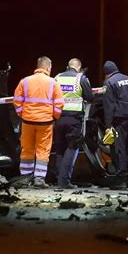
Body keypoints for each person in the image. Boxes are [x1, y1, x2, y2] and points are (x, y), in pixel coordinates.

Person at [13, 56, 64, 188]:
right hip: (45, 122)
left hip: (27, 121)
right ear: (48, 67)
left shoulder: (25, 81)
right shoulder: (53, 83)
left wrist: (22, 114)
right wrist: (55, 117)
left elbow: (17, 100)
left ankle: (25, 177)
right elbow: (59, 104)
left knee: (27, 149)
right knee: (43, 150)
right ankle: (39, 179)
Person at [54, 58, 94, 188]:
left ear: (68, 66)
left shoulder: (57, 78)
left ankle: (59, 179)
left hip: (58, 118)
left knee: (60, 149)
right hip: (74, 119)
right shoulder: (81, 78)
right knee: (72, 148)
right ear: (78, 67)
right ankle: (64, 182)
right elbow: (90, 97)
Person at [102, 60, 128, 189]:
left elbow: (109, 106)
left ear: (106, 73)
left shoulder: (109, 82)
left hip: (121, 119)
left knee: (120, 149)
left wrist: (108, 126)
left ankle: (121, 181)